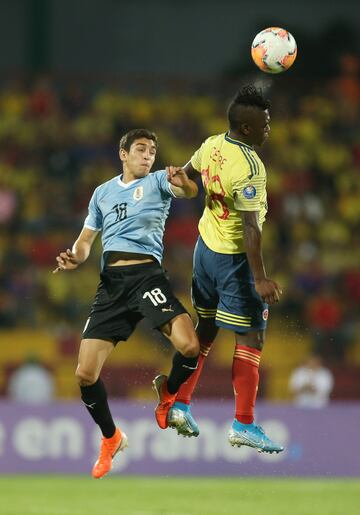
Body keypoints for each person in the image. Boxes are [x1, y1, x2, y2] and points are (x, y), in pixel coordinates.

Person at [53, 129, 200, 478]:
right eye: (140, 149)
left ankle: (169, 390)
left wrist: (184, 182)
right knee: (84, 374)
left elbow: (189, 190)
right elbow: (86, 240)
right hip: (112, 287)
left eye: (152, 151)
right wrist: (75, 256)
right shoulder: (102, 193)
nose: (148, 156)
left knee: (190, 346)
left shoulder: (159, 182)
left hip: (147, 278)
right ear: (123, 153)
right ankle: (111, 437)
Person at [167, 85, 284, 454]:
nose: (269, 129)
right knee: (252, 339)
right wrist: (260, 277)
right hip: (234, 261)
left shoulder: (212, 144)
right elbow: (251, 226)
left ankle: (180, 405)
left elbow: (183, 175)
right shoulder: (251, 167)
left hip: (204, 252)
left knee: (205, 331)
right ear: (247, 128)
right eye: (264, 124)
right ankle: (243, 424)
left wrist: (180, 181)